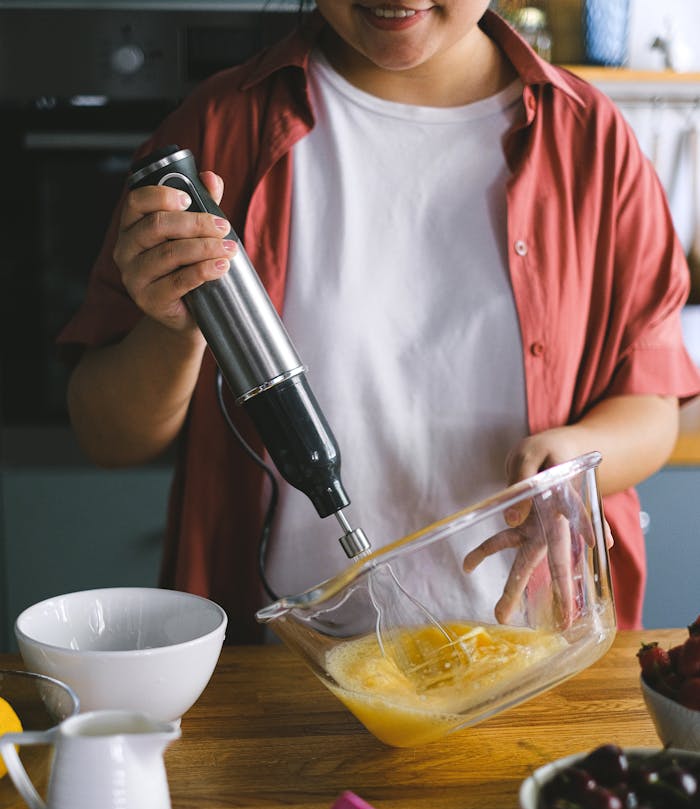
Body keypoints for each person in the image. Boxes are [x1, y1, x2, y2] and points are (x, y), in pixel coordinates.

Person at [60, 1, 700, 642]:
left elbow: (651, 403)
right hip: (280, 672)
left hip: (531, 654)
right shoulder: (222, 126)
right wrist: (173, 333)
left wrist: (573, 465)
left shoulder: (591, 138)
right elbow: (107, 437)